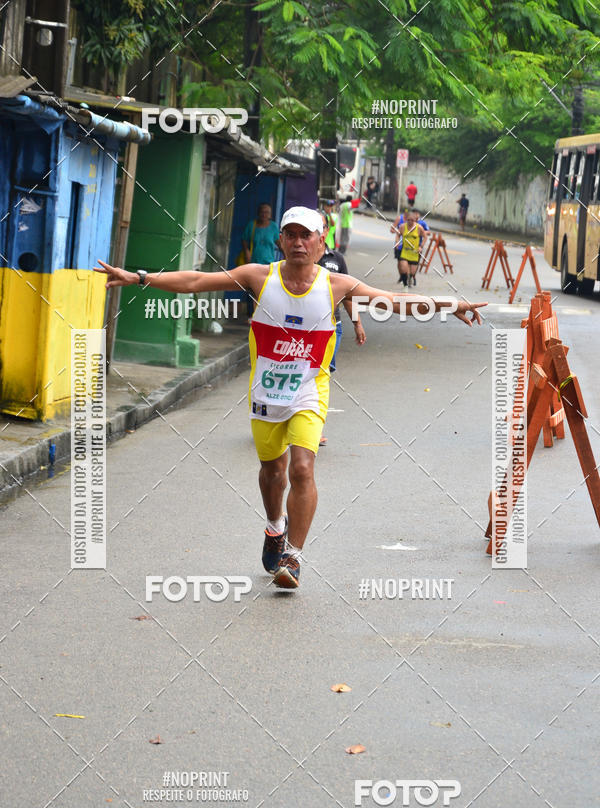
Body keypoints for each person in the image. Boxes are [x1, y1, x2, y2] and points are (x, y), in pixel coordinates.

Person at [95, 207, 485, 590]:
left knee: (301, 470)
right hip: (266, 392)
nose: (299, 242)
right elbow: (196, 281)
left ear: (320, 243)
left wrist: (452, 306)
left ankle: (293, 557)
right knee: (273, 474)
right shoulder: (258, 276)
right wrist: (138, 277)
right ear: (281, 241)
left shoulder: (337, 285)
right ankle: (275, 526)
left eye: (307, 236)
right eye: (291, 235)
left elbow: (393, 301)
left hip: (309, 391)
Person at [316, 210, 366, 447]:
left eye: (320, 226)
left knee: (322, 376)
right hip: (297, 331)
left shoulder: (336, 259)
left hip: (330, 327)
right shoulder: (293, 260)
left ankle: (313, 428)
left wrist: (357, 323)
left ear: (326, 231)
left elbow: (348, 295)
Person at [241, 203, 281, 318]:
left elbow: (279, 243)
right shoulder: (252, 225)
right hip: (253, 263)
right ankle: (251, 315)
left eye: (267, 212)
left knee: (266, 290)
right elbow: (244, 240)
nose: (264, 214)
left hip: (268, 264)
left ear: (270, 215)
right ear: (258, 213)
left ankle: (263, 314)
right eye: (262, 212)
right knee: (251, 288)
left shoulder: (273, 227)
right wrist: (247, 252)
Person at [393, 210, 425, 287]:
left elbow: (425, 237)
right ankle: (405, 285)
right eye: (408, 220)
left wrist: (421, 246)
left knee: (413, 272)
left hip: (414, 253)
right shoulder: (403, 227)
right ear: (406, 219)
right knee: (404, 268)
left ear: (415, 220)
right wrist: (397, 242)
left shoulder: (419, 227)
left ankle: (410, 278)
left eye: (412, 220)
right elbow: (398, 234)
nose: (410, 221)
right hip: (405, 251)